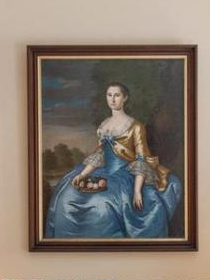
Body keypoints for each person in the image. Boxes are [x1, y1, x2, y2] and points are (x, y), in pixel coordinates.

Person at [44, 82, 182, 239]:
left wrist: (137, 190)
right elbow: (99, 156)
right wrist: (82, 175)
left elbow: (141, 158)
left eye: (117, 95)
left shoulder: (135, 126)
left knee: (102, 203)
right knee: (67, 194)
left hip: (128, 174)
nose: (113, 99)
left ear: (125, 98)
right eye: (109, 95)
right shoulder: (104, 126)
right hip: (104, 171)